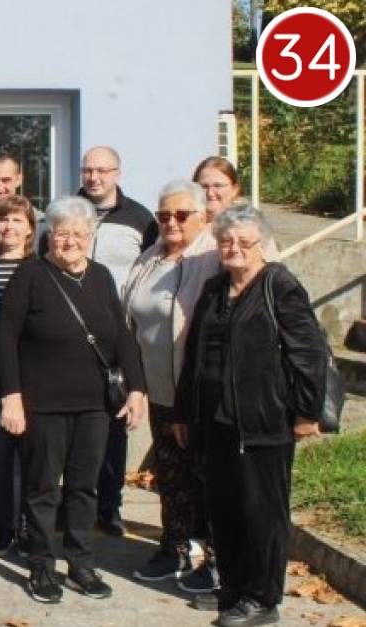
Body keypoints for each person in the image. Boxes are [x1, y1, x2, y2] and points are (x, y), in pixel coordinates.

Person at [175, 206, 325, 627]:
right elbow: (194, 355)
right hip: (217, 422)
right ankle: (234, 590)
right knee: (226, 511)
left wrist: (305, 412)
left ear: (262, 244)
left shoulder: (279, 285)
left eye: (244, 241)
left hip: (264, 421)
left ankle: (263, 599)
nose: (234, 248)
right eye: (226, 241)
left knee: (262, 514)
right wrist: (185, 412)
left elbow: (308, 353)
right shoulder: (215, 289)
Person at [0, 195, 147, 604]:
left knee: (84, 488)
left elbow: (122, 336)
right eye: (62, 233)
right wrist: (11, 397)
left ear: (91, 235)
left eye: (79, 234)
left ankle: (81, 564)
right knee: (43, 489)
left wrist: (137, 388)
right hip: (43, 405)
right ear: (49, 235)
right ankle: (42, 566)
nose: (70, 241)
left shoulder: (100, 276)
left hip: (95, 405)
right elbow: (6, 338)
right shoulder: (29, 275)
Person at [124, 181, 222, 589]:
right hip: (160, 391)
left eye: (181, 215)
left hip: (199, 393)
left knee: (209, 477)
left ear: (203, 216)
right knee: (171, 476)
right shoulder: (150, 257)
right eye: (164, 215)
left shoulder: (213, 255)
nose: (171, 223)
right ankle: (176, 546)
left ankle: (217, 558)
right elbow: (130, 319)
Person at [78, 145, 158, 537]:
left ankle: (109, 507)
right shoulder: (66, 210)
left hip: (116, 338)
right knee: (73, 427)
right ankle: (74, 504)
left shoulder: (140, 219)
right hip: (70, 337)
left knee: (114, 425)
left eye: (102, 170)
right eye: (88, 170)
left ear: (118, 173)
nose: (94, 177)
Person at [0, 195, 37, 558]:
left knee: (31, 455)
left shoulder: (39, 268)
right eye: (3, 220)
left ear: (30, 228)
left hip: (30, 374)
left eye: (17, 220)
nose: (9, 227)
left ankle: (29, 526)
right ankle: (3, 527)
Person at [192, 156, 281, 260]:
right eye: (204, 186)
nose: (210, 193)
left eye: (218, 186)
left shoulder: (253, 226)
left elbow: (271, 267)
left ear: (235, 190)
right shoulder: (181, 226)